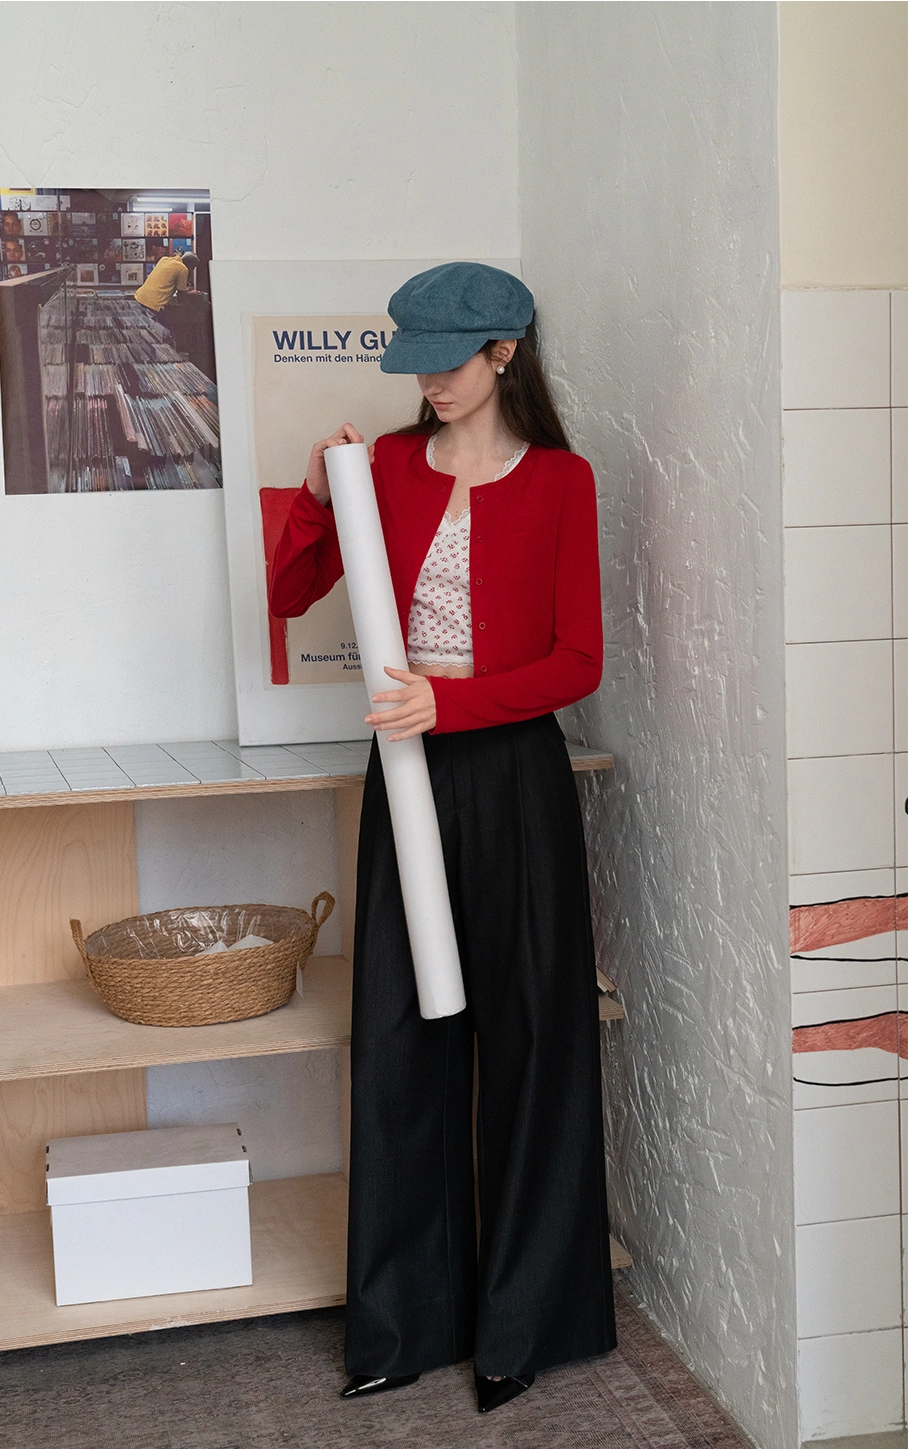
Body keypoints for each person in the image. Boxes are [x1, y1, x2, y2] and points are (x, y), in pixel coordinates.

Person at [268, 262, 617, 1416]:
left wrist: (447, 704)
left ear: (506, 351)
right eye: (414, 360)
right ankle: (401, 1321)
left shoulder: (565, 481)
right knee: (404, 1040)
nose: (429, 381)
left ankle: (523, 1324)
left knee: (531, 1039)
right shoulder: (383, 468)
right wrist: (323, 495)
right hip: (404, 771)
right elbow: (289, 594)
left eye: (449, 360)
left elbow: (578, 663)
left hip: (511, 772)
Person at [133, 250, 198, 314]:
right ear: (190, 263)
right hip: (154, 305)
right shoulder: (183, 269)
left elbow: (164, 280)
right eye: (193, 267)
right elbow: (181, 296)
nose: (192, 270)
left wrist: (185, 290)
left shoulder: (164, 259)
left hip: (140, 297)